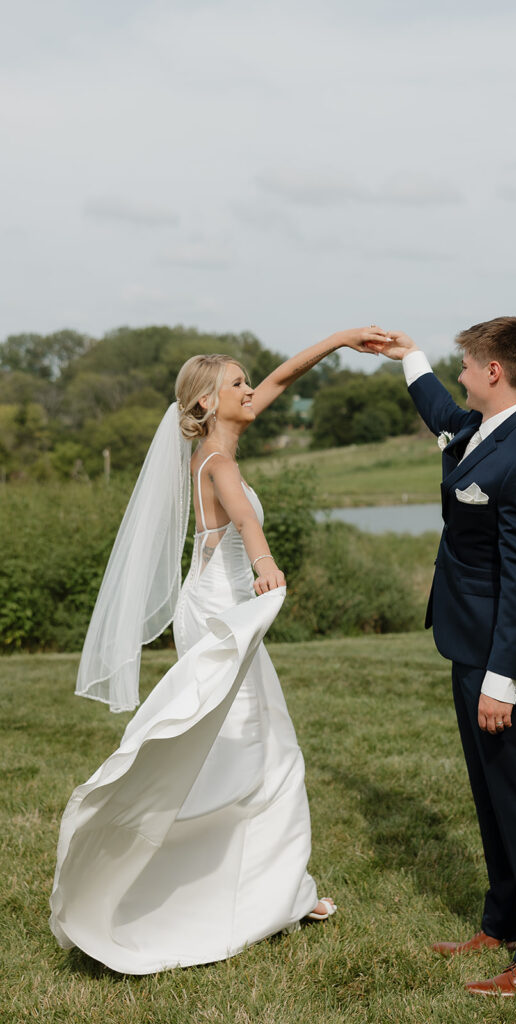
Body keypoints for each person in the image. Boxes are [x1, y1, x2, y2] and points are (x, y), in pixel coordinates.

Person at [49, 326, 385, 975]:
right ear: (205, 403)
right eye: (236, 383)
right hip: (219, 611)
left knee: (260, 746)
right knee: (251, 749)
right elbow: (245, 520)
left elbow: (282, 379)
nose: (249, 389)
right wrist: (265, 563)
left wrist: (340, 342)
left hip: (223, 608)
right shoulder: (218, 462)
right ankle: (237, 886)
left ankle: (279, 887)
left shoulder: (216, 448)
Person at [368, 318, 516, 998]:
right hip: (465, 646)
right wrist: (409, 357)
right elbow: (438, 411)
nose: (458, 376)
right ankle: (503, 921)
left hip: (502, 659)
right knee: (490, 799)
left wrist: (503, 681)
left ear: (493, 371)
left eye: (464, 365)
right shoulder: (478, 430)